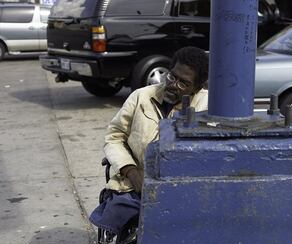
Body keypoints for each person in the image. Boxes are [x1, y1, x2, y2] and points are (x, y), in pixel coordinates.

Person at [89, 46, 209, 233]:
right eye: (172, 76)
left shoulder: (206, 106)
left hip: (182, 190)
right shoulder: (141, 96)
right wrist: (130, 170)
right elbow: (114, 136)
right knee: (118, 210)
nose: (172, 85)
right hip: (137, 185)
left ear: (197, 87)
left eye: (183, 83)